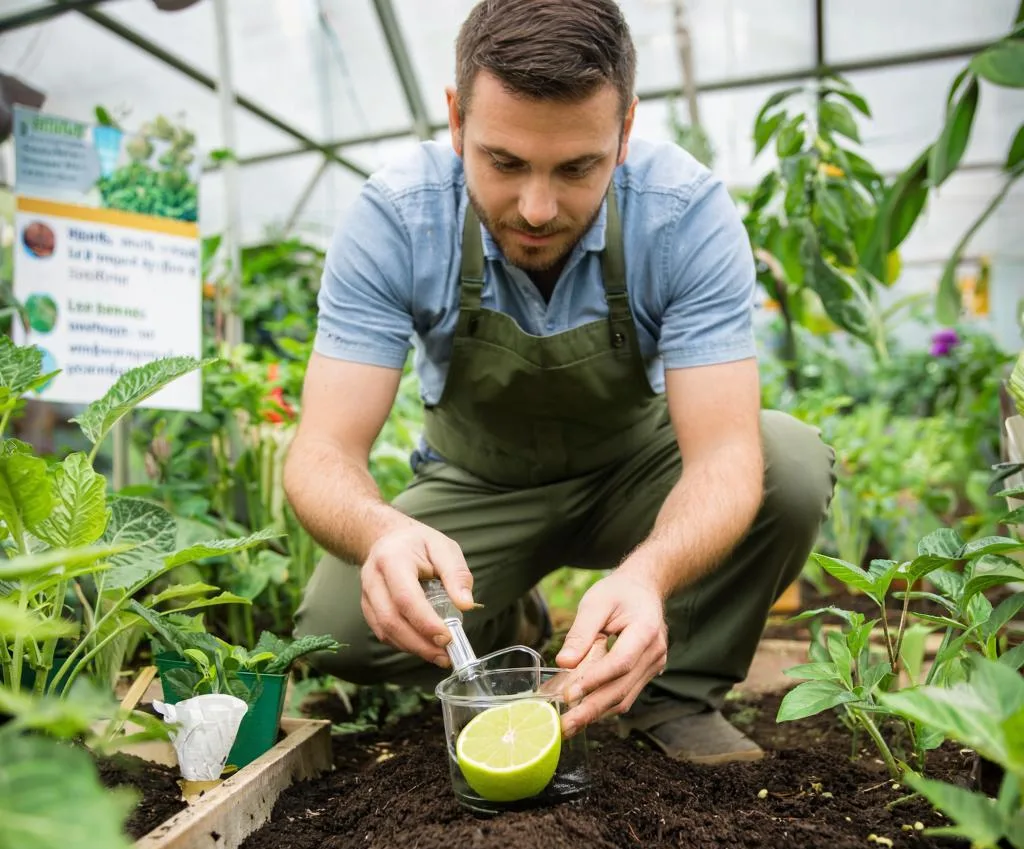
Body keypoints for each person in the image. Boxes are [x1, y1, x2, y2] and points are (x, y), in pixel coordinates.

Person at [284, 0, 835, 764]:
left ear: (625, 132)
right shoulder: (397, 218)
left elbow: (724, 460)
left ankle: (677, 696)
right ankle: (512, 624)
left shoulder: (684, 214)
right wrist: (384, 533)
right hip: (480, 487)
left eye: (577, 168)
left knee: (791, 464)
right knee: (343, 630)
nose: (537, 209)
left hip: (634, 477)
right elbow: (321, 453)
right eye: (503, 162)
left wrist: (650, 575)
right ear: (455, 120)